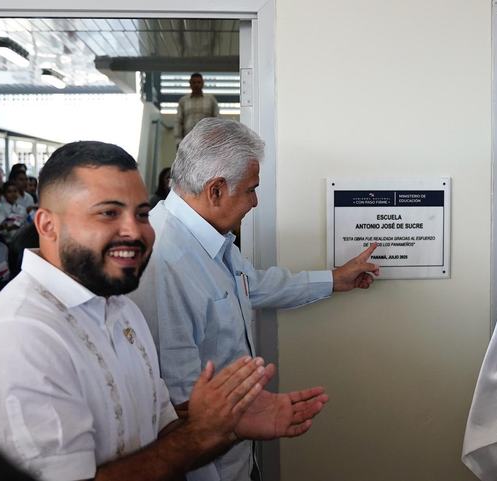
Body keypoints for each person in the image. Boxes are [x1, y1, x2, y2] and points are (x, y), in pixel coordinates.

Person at [0, 140, 327, 480]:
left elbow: (159, 431)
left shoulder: (120, 309)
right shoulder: (19, 336)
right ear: (47, 226)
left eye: (142, 213)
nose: (135, 232)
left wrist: (227, 424)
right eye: (107, 214)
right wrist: (203, 434)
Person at [129, 118, 376, 481]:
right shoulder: (165, 260)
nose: (255, 201)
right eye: (250, 189)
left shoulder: (208, 239)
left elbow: (252, 285)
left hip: (238, 455)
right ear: (215, 190)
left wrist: (334, 279)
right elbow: (181, 401)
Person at [174, 73, 220, 147]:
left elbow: (217, 120)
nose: (196, 84)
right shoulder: (183, 101)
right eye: (194, 82)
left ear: (202, 83)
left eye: (198, 82)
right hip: (188, 140)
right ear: (190, 84)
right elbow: (178, 122)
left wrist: (215, 140)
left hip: (206, 139)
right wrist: (178, 141)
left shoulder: (211, 100)